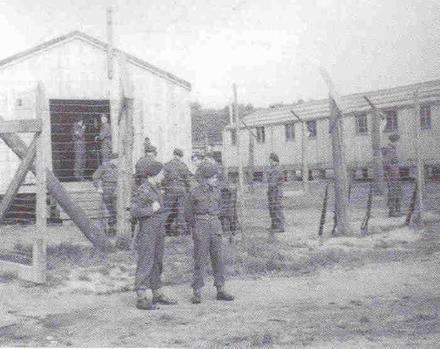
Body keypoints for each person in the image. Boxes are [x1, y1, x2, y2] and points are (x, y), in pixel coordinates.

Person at [130, 157, 177, 310]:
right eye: (162, 173)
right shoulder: (143, 189)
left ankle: (157, 293)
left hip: (158, 229)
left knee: (158, 261)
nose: (163, 176)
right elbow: (134, 211)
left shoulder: (156, 189)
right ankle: (141, 297)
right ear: (155, 174)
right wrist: (152, 209)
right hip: (147, 230)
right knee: (146, 261)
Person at [185, 162, 234, 304]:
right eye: (213, 178)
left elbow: (221, 209)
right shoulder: (195, 193)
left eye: (216, 178)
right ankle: (197, 291)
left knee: (218, 258)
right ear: (206, 178)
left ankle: (220, 289)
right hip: (201, 226)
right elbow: (187, 213)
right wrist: (196, 226)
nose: (215, 180)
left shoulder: (217, 192)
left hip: (215, 226)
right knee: (200, 259)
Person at [162, 148, 192, 236]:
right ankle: (181, 231)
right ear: (180, 156)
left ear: (174, 155)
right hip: (181, 190)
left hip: (170, 189)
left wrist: (166, 187)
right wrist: (188, 189)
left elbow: (164, 179)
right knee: (180, 211)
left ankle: (162, 230)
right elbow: (187, 180)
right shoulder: (183, 166)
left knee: (167, 210)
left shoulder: (167, 165)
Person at [92, 153, 118, 236]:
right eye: (116, 160)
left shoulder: (121, 167)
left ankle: (113, 228)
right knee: (109, 210)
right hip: (107, 190)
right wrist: (99, 187)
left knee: (116, 210)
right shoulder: (104, 166)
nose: (118, 162)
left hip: (118, 191)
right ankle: (109, 229)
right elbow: (95, 177)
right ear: (112, 160)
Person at [382, 133, 403, 217]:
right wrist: (389, 174)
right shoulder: (390, 150)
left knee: (398, 191)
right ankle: (392, 211)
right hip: (392, 175)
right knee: (392, 192)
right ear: (395, 141)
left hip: (395, 174)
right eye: (398, 141)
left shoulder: (393, 149)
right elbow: (386, 163)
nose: (399, 143)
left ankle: (397, 210)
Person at [266, 152, 285, 232]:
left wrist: (270, 188)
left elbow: (273, 182)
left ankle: (280, 227)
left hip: (276, 192)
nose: (270, 162)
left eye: (271, 160)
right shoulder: (273, 169)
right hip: (272, 192)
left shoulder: (277, 169)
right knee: (272, 209)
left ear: (275, 161)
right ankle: (274, 225)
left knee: (277, 208)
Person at [218, 170, 239, 240]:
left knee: (232, 218)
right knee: (222, 218)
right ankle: (223, 232)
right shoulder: (223, 184)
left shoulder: (233, 186)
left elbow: (231, 190)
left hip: (230, 205)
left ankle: (233, 233)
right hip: (225, 204)